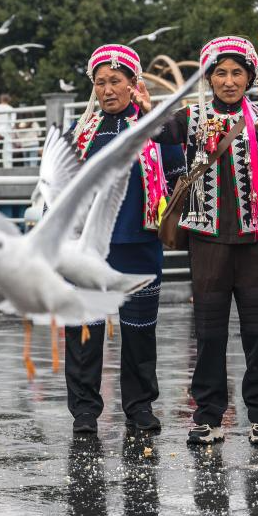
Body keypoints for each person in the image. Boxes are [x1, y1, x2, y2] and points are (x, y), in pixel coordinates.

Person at [139, 35, 258, 446]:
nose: (228, 80)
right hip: (206, 238)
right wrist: (145, 108)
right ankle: (208, 415)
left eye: (237, 72)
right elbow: (154, 134)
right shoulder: (191, 116)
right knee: (209, 332)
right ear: (208, 77)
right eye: (220, 73)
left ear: (250, 77)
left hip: (255, 238)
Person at [65, 44, 185, 436]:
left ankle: (139, 407)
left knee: (138, 334)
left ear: (134, 83)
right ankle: (84, 411)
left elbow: (178, 176)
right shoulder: (80, 135)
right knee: (85, 333)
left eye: (116, 81)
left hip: (139, 245)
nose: (107, 89)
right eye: (100, 83)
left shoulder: (157, 129)